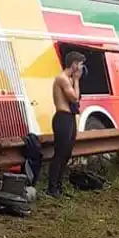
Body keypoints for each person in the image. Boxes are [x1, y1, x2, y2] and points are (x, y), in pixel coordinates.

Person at [48, 51, 85, 198]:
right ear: (74, 64)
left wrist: (75, 81)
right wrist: (76, 80)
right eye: (80, 64)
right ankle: (52, 188)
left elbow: (78, 96)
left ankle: (59, 186)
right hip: (62, 117)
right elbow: (74, 97)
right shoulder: (62, 79)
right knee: (60, 153)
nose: (81, 68)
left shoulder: (69, 79)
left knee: (67, 153)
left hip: (70, 118)